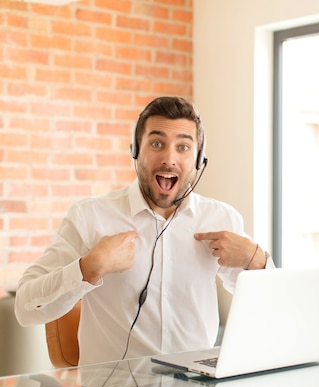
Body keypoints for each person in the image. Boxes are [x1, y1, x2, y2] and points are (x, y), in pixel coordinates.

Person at [14, 96, 272, 365]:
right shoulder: (90, 217)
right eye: (157, 144)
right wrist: (88, 268)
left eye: (183, 147)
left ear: (198, 160)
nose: (169, 159)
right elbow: (25, 309)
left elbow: (274, 311)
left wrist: (258, 260)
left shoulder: (221, 218)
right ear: (136, 151)